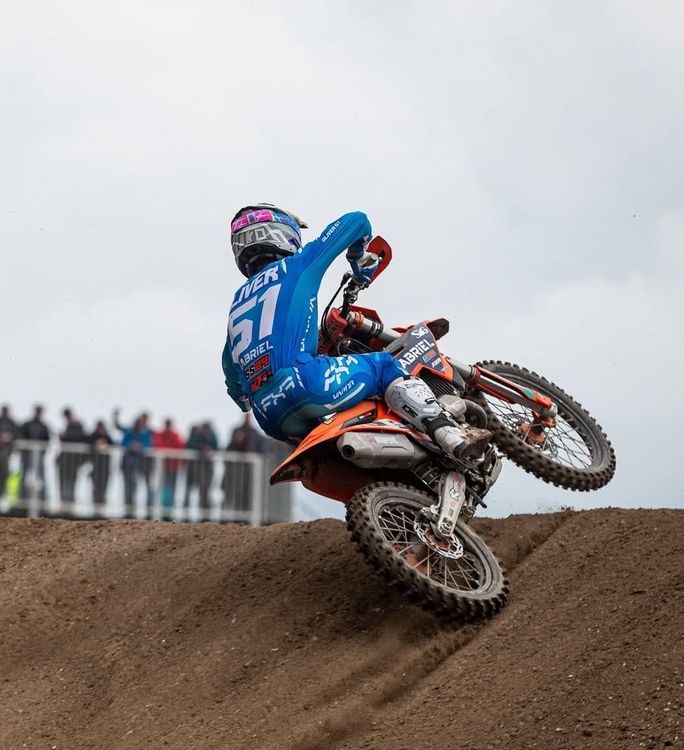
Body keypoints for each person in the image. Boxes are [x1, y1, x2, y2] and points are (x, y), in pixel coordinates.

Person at [222, 204, 491, 455]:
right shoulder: (297, 266)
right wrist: (358, 258)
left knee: (333, 440)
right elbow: (357, 221)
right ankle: (450, 434)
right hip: (306, 381)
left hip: (268, 416)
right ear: (281, 232)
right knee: (384, 366)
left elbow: (235, 387)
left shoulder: (236, 305)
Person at [221, 412, 265, 513]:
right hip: (233, 472)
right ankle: (228, 515)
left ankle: (245, 515)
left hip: (248, 471)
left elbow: (260, 447)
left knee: (246, 493)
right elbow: (228, 452)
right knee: (231, 493)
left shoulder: (254, 433)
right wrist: (236, 442)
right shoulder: (236, 431)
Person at [113, 410, 152, 515]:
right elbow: (123, 442)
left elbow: (148, 446)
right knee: (128, 486)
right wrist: (130, 446)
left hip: (141, 465)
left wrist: (140, 447)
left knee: (137, 485)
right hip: (127, 464)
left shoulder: (146, 433)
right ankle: (128, 509)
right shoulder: (128, 432)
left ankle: (139, 509)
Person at [153, 418, 184, 519]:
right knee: (162, 488)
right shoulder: (159, 434)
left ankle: (169, 511)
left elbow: (179, 447)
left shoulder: (175, 435)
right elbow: (157, 446)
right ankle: (162, 510)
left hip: (173, 468)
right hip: (161, 468)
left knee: (171, 489)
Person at [20, 405, 50, 506]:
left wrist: (42, 452)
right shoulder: (27, 424)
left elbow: (47, 440)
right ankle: (22, 499)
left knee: (41, 477)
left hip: (39, 455)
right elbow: (21, 435)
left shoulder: (44, 426)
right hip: (27, 455)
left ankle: (43, 502)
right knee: (24, 476)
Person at [185, 422, 218, 515]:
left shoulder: (212, 437)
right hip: (198, 466)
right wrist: (201, 448)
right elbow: (190, 444)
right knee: (200, 487)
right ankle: (196, 512)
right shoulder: (197, 436)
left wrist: (209, 449)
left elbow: (216, 446)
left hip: (208, 466)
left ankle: (205, 513)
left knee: (206, 489)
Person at [56, 407, 87, 506]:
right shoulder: (69, 425)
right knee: (63, 483)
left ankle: (69, 505)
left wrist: (66, 436)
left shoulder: (77, 425)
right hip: (64, 460)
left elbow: (79, 438)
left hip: (72, 461)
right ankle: (64, 504)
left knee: (71, 483)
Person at [88, 420, 114, 512]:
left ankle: (102, 510)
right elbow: (88, 441)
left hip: (105, 468)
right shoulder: (93, 436)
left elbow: (113, 444)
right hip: (95, 468)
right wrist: (96, 443)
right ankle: (95, 509)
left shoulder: (107, 437)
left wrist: (104, 440)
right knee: (95, 489)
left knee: (103, 489)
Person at [0, 405, 18, 503]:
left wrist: (10, 437)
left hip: (8, 452)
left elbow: (18, 434)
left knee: (5, 473)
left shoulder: (12, 423)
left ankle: (3, 493)